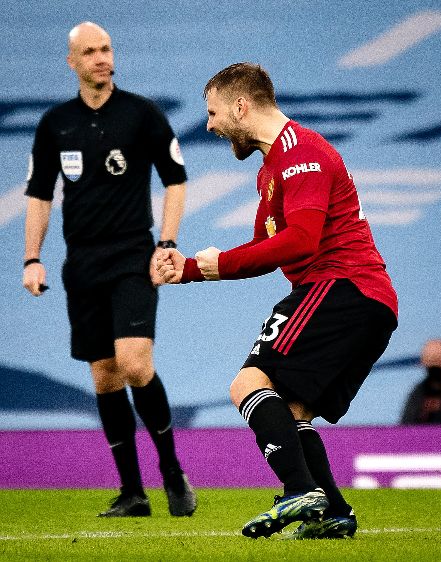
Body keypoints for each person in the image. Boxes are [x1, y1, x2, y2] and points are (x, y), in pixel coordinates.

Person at [157, 62, 398, 539]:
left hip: (341, 287)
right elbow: (263, 253)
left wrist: (217, 263)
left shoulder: (301, 152)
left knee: (247, 384)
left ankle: (299, 491)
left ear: (241, 106)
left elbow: (303, 241)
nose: (209, 125)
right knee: (292, 412)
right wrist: (186, 270)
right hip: (362, 298)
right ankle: (334, 512)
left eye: (213, 112)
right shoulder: (271, 169)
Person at [22, 22, 196, 518]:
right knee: (103, 376)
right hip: (83, 264)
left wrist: (166, 243)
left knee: (135, 363)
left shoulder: (141, 114)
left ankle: (170, 471)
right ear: (72, 62)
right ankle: (132, 492)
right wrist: (32, 258)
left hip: (132, 256)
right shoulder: (56, 123)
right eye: (90, 52)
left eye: (106, 49)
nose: (101, 58)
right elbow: (38, 195)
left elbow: (176, 180)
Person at [401, 339, 441, 424]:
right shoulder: (419, 392)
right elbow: (406, 425)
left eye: (438, 369)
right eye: (432, 369)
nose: (435, 373)